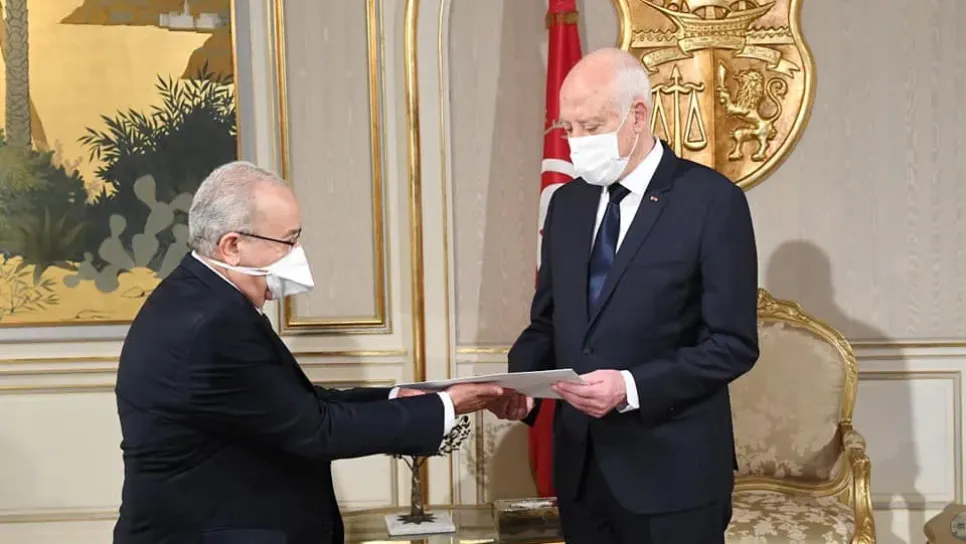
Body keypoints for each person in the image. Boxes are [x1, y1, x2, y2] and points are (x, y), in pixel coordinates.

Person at [113, 161, 504, 544]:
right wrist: (447, 405)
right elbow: (316, 429)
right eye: (287, 242)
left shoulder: (199, 298)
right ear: (232, 246)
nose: (297, 255)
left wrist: (397, 397)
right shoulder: (212, 321)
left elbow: (295, 405)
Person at [488, 48, 760, 543]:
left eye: (591, 127)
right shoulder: (568, 205)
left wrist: (631, 387)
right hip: (581, 471)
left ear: (638, 115)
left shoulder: (712, 202)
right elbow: (549, 321)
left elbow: (732, 344)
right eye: (568, 129)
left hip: (674, 477)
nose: (577, 143)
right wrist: (520, 382)